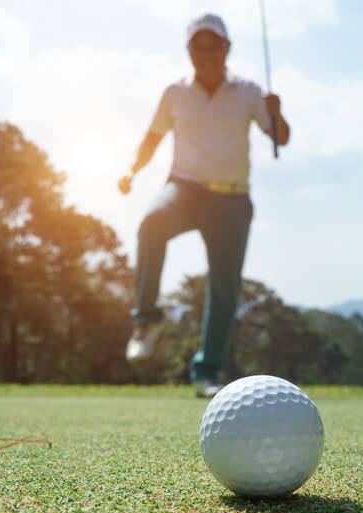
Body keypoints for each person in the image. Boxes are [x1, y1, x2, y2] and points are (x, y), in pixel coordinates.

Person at [118, 13, 290, 398]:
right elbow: (151, 138)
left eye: (215, 44)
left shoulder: (248, 91)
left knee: (225, 288)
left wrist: (276, 111)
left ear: (227, 48)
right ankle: (147, 321)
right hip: (185, 189)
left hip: (232, 197)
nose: (207, 52)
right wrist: (132, 170)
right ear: (189, 51)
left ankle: (207, 371)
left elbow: (281, 137)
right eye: (199, 45)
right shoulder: (174, 93)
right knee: (151, 224)